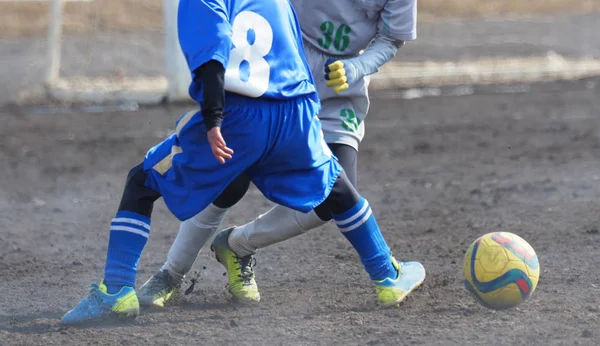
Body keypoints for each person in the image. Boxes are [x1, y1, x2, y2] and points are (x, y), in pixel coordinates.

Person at [60, 0, 423, 326]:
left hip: (247, 113)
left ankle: (116, 291)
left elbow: (211, 59)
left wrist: (213, 119)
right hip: (295, 104)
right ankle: (387, 277)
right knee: (335, 186)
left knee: (141, 181)